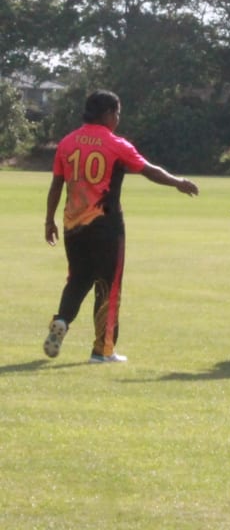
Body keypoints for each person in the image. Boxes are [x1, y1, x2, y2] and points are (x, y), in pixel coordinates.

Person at [43, 89, 199, 363]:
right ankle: (103, 350)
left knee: (77, 279)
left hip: (73, 226)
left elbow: (57, 183)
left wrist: (49, 220)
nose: (118, 119)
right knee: (108, 285)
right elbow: (149, 170)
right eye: (117, 113)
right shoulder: (115, 144)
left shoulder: (67, 143)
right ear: (107, 114)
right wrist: (178, 182)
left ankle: (62, 320)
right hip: (106, 226)